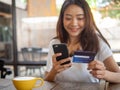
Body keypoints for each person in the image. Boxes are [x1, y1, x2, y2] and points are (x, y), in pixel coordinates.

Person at [44, 0, 120, 83]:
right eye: (68, 18)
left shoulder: (98, 43)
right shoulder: (55, 43)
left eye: (80, 18)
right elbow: (46, 80)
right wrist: (54, 71)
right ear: (62, 19)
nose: (74, 23)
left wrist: (104, 74)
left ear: (87, 19)